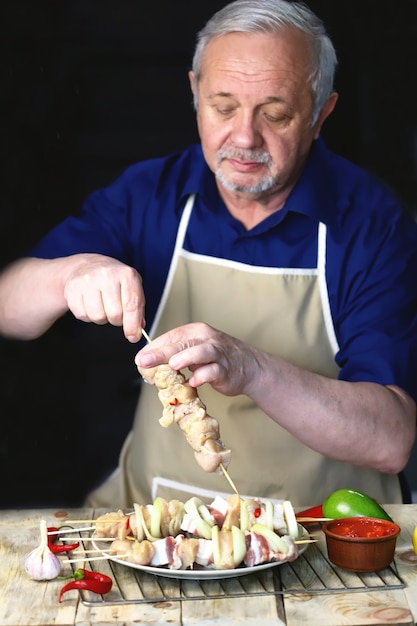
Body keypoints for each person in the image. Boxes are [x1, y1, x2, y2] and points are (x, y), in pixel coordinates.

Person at [1, 0, 416, 508]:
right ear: (195, 93)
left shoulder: (371, 223)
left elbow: (390, 441)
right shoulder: (149, 195)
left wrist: (252, 370)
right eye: (223, 107)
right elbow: (7, 308)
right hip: (158, 520)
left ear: (320, 113)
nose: (244, 138)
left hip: (327, 534)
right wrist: (70, 273)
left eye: (276, 113)